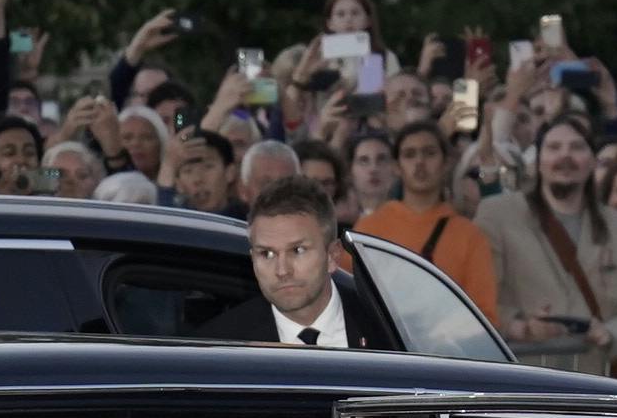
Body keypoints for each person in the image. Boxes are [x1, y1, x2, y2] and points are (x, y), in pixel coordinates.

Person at [478, 118, 617, 377]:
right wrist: (519, 327)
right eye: (554, 147)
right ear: (538, 161)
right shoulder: (497, 215)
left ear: (592, 161)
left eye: (577, 147)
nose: (565, 155)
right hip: (521, 379)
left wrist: (609, 333)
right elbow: (481, 299)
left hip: (594, 382)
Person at [189, 178, 390, 348]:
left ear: (333, 256)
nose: (282, 270)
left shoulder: (387, 327)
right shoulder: (222, 346)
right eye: (267, 254)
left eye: (298, 250)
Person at [352, 121, 503, 328]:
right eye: (410, 154)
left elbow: (485, 317)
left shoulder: (469, 236)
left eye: (429, 153)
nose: (420, 162)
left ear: (446, 162)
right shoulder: (367, 230)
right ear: (397, 166)